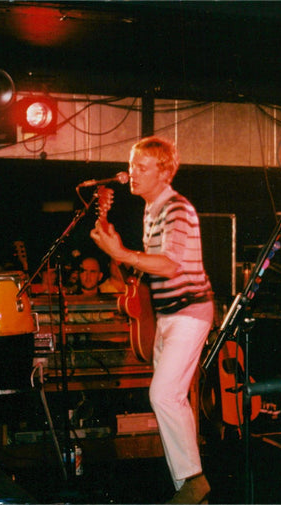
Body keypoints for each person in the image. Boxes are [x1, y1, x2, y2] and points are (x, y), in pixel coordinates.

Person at [90, 136, 214, 504]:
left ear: (164, 171)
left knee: (163, 394)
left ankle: (194, 481)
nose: (132, 174)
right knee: (173, 399)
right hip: (167, 314)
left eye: (142, 167)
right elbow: (149, 266)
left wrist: (122, 252)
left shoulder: (176, 208)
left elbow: (170, 264)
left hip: (191, 311)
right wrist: (117, 247)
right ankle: (190, 490)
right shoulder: (152, 210)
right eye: (132, 166)